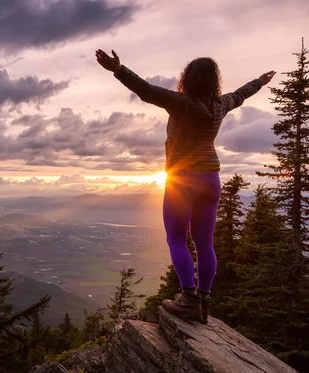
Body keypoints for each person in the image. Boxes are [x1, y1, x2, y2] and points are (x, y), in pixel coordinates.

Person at [96, 49, 276, 323]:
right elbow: (241, 94)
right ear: (214, 81)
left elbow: (145, 90)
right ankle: (203, 301)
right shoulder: (220, 105)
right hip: (211, 179)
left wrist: (119, 70)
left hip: (183, 180)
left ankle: (188, 299)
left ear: (187, 79)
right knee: (205, 243)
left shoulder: (180, 103)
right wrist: (260, 81)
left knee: (176, 238)